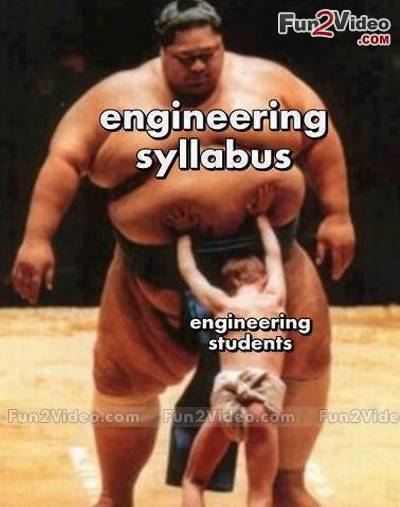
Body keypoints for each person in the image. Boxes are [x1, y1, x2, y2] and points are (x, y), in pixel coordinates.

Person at [11, 1, 355, 506]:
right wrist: (37, 239)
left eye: (208, 55)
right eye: (185, 59)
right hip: (152, 281)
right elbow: (64, 161)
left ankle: (287, 484)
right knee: (122, 379)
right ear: (163, 52)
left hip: (270, 270)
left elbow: (319, 135)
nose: (198, 67)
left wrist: (338, 214)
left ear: (222, 45)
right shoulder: (116, 97)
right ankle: (115, 495)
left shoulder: (268, 82)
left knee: (306, 358)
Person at [172, 212, 287, 507]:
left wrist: (184, 234)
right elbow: (274, 254)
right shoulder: (274, 299)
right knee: (260, 494)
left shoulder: (223, 305)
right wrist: (262, 217)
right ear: (263, 278)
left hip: (227, 398)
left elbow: (188, 271)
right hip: (263, 399)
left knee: (194, 480)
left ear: (230, 283)